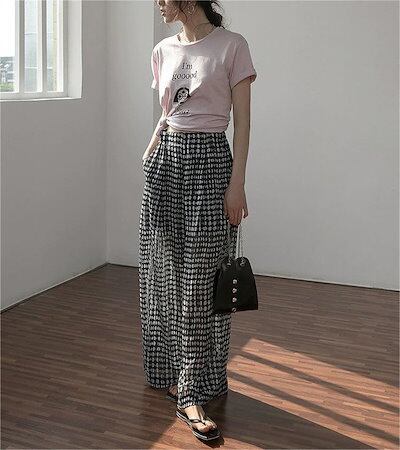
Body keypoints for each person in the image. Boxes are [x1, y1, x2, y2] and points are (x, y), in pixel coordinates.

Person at [138, 0, 257, 441]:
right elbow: (169, 111)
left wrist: (237, 184)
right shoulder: (162, 49)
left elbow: (242, 124)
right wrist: (150, 150)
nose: (158, 3)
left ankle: (193, 388)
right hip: (166, 161)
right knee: (162, 273)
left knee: (201, 281)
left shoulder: (232, 46)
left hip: (210, 163)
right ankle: (172, 371)